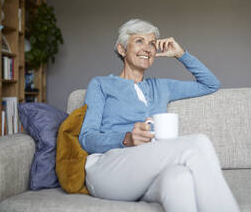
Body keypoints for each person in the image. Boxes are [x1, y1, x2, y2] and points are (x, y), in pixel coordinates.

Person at [79, 19, 240, 212]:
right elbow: (86, 138)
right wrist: (127, 139)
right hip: (109, 169)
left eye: (152, 44)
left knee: (180, 179)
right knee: (198, 143)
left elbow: (210, 84)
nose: (147, 48)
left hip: (147, 172)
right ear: (122, 49)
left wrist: (181, 54)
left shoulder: (161, 86)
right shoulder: (101, 84)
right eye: (139, 41)